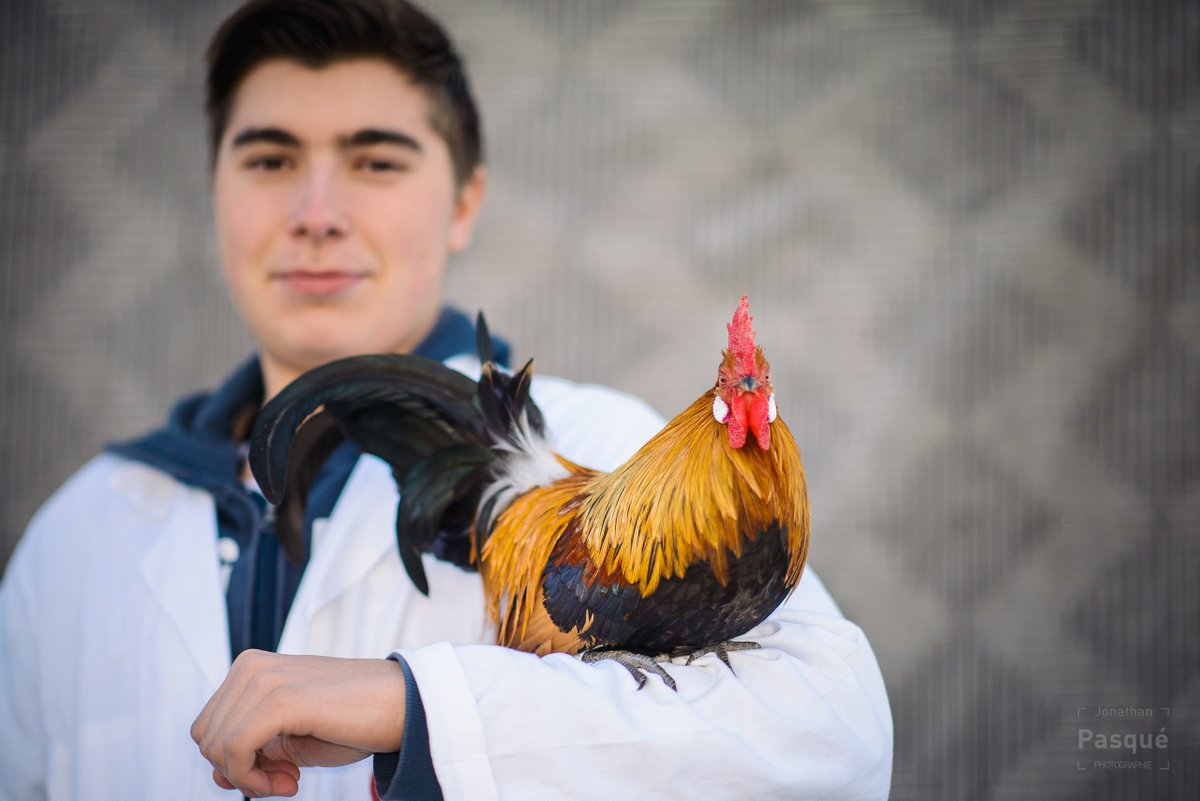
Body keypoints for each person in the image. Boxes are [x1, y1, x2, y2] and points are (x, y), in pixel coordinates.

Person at [0, 0, 893, 798]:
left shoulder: (610, 445)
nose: (317, 210)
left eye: (375, 162)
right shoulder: (75, 536)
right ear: (215, 191)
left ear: (465, 201)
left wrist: (420, 704)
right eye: (270, 158)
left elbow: (835, 735)